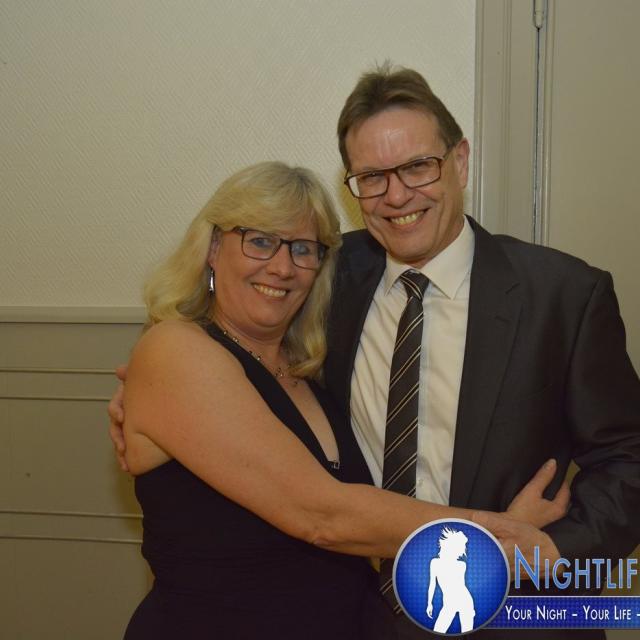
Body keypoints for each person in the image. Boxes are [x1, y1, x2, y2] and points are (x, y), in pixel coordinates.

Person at [117, 160, 565, 640]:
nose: (282, 267)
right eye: (260, 241)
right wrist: (497, 533)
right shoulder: (175, 349)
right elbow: (323, 516)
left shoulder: (308, 369)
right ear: (211, 248)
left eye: (303, 249)